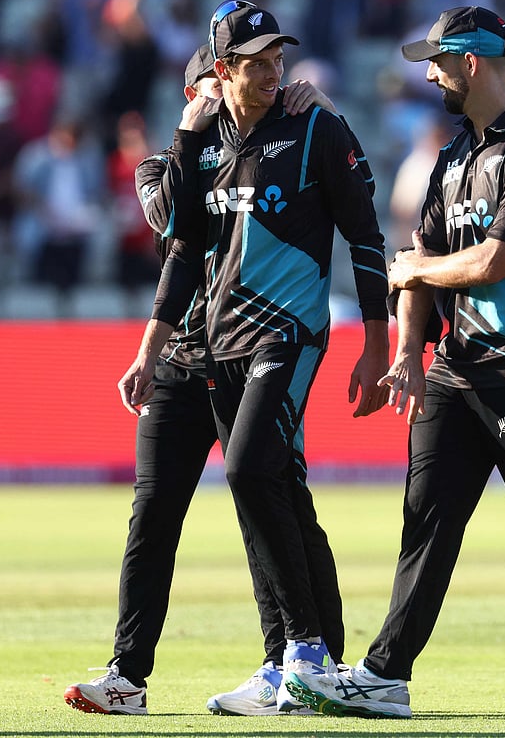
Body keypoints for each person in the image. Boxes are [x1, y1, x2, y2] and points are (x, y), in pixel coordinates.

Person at [282, 5, 505, 720]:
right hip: (454, 368)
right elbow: (417, 271)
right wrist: (412, 352)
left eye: (440, 61)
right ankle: (386, 673)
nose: (431, 74)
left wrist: (415, 271)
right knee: (428, 518)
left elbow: (490, 261)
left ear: (471, 62)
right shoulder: (452, 155)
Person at [64, 43, 364, 717]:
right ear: (199, 91)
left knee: (275, 497)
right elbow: (171, 225)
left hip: (248, 351)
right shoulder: (164, 166)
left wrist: (320, 118)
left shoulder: (268, 149)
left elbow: (327, 192)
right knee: (154, 513)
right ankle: (127, 675)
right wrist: (189, 138)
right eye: (207, 90)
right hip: (180, 362)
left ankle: (302, 659)